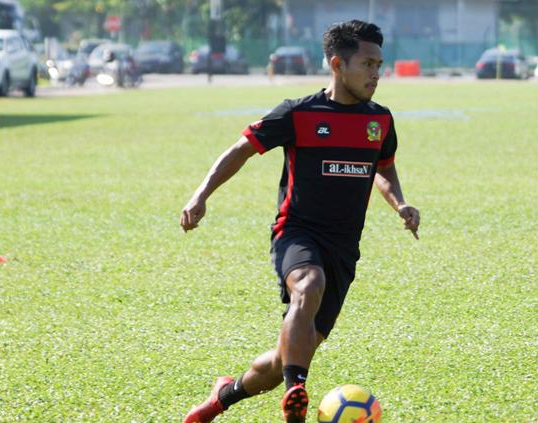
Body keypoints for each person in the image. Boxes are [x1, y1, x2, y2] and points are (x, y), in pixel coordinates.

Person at [180, 20, 420, 423]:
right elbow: (241, 149)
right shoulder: (300, 113)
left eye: (380, 64)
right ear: (337, 64)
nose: (377, 74)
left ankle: (223, 396)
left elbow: (383, 168)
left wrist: (400, 203)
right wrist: (200, 195)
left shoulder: (380, 120)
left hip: (343, 249)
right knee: (309, 284)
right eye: (367, 64)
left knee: (280, 360)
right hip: (296, 232)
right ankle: (297, 396)